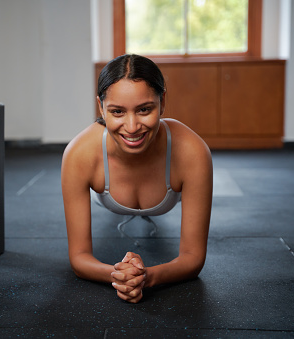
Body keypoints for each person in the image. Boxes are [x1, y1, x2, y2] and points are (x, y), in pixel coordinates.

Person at [61, 54, 213, 303]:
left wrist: (145, 276)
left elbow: (193, 258)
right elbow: (79, 258)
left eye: (144, 109)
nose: (131, 127)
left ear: (162, 101)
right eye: (117, 112)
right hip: (104, 195)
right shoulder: (79, 154)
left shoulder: (192, 152)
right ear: (101, 107)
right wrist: (119, 275)